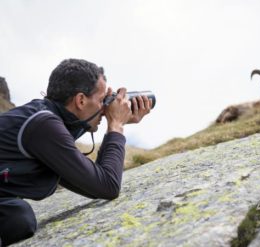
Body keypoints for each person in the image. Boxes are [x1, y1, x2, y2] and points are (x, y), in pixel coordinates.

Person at [0, 58, 152, 246]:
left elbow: (94, 182)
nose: (105, 109)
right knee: (17, 218)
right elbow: (107, 186)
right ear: (81, 100)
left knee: (14, 215)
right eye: (101, 100)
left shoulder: (42, 117)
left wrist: (113, 122)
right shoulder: (43, 126)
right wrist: (116, 125)